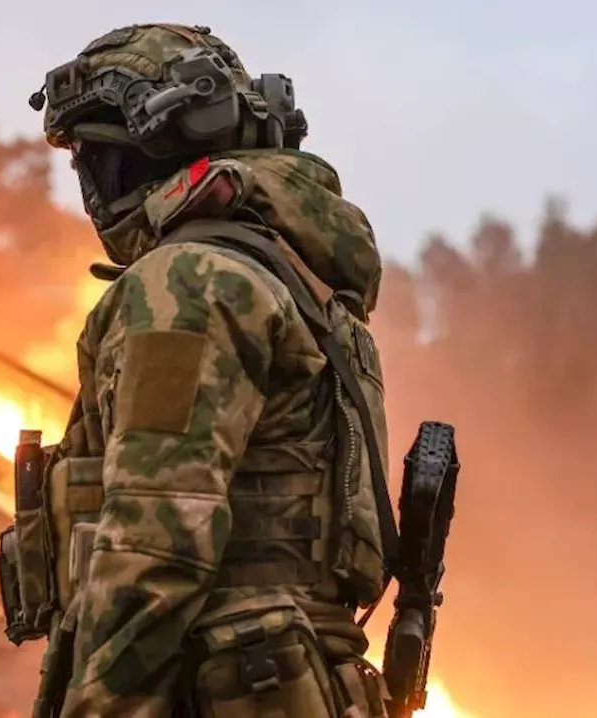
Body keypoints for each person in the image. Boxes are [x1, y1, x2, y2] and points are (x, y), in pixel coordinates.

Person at [27, 23, 396, 718]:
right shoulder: (299, 280)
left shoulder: (191, 281)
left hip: (217, 688)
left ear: (143, 152)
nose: (91, 187)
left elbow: (157, 540)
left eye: (94, 158)